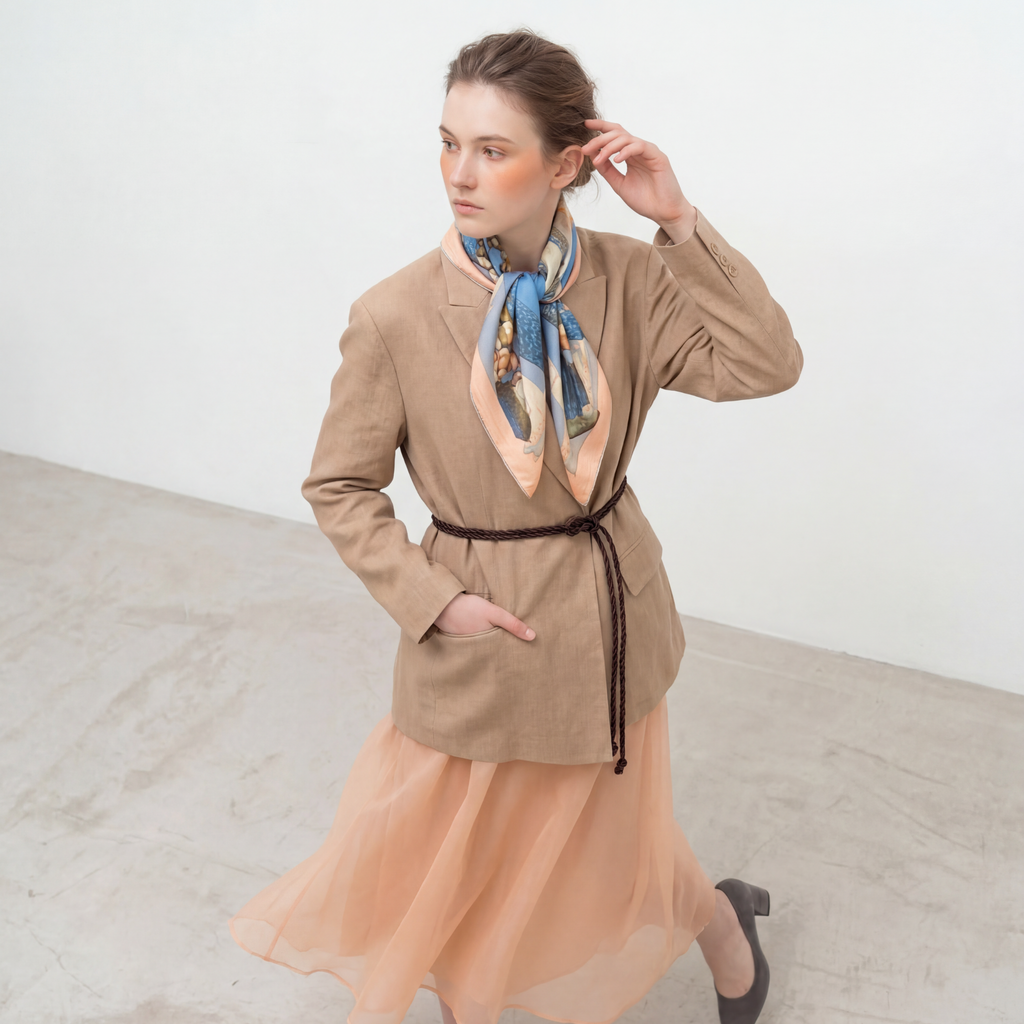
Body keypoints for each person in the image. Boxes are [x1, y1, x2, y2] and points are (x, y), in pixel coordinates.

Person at [230, 28, 802, 1024]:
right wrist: (431, 598)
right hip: (476, 630)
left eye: (492, 150)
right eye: (448, 143)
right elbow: (340, 485)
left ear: (567, 161)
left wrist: (678, 222)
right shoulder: (396, 314)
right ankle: (714, 920)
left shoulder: (631, 279)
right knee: (455, 884)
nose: (458, 173)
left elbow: (762, 364)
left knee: (606, 842)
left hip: (604, 619)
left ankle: (719, 923)